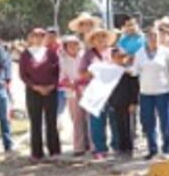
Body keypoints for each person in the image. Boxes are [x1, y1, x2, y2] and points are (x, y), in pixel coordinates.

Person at [19, 27, 61, 160]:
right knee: (35, 121)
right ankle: (36, 152)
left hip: (50, 90)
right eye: (35, 35)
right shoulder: (25, 54)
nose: (38, 38)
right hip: (33, 91)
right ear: (30, 38)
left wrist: (51, 85)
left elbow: (58, 71)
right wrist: (35, 87)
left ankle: (54, 150)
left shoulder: (51, 53)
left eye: (42, 36)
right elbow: (23, 74)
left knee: (51, 121)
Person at [133, 26, 169, 159]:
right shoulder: (139, 53)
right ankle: (152, 149)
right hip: (146, 92)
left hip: (163, 91)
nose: (153, 38)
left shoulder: (166, 52)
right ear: (146, 38)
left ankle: (167, 148)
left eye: (155, 35)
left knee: (165, 121)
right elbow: (135, 71)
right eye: (150, 36)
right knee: (148, 122)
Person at [78, 28, 117, 160]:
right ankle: (100, 149)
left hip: (112, 91)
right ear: (93, 41)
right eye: (98, 38)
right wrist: (92, 72)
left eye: (103, 37)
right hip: (95, 91)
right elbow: (81, 73)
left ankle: (116, 146)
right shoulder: (88, 55)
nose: (101, 40)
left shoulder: (113, 52)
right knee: (97, 121)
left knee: (114, 119)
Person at [58, 35, 89, 155]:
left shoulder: (84, 57)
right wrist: (70, 83)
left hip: (86, 90)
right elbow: (61, 76)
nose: (73, 47)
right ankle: (79, 147)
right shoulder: (62, 60)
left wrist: (81, 81)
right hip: (72, 92)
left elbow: (89, 72)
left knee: (89, 118)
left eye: (75, 44)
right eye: (70, 45)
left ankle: (92, 145)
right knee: (76, 119)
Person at [108, 49, 139, 157]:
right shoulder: (110, 72)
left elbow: (135, 88)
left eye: (122, 57)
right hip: (116, 102)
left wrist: (134, 102)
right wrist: (110, 102)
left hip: (128, 102)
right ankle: (121, 148)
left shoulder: (129, 72)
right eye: (117, 57)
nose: (120, 59)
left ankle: (129, 148)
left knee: (129, 126)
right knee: (118, 126)